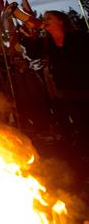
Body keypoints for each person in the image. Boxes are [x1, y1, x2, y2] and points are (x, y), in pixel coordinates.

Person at [22, 11, 89, 156]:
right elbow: (33, 54)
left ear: (60, 21)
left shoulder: (79, 36)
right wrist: (30, 37)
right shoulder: (46, 42)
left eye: (49, 18)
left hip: (85, 86)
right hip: (65, 91)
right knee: (78, 124)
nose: (44, 20)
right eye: (44, 18)